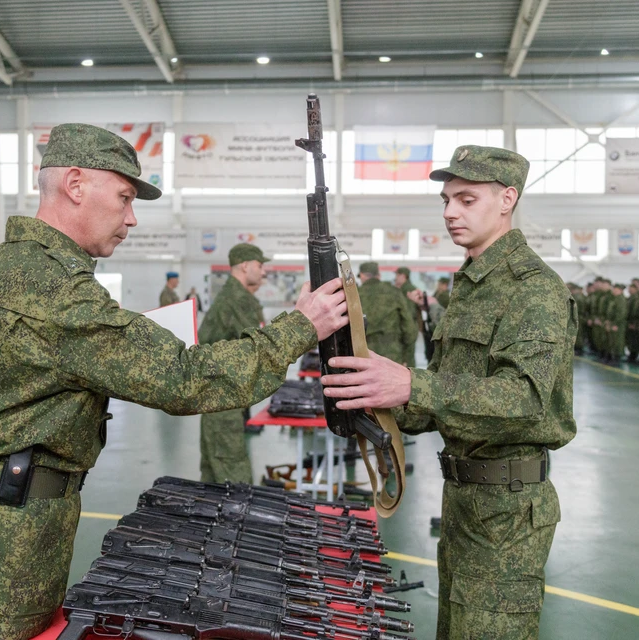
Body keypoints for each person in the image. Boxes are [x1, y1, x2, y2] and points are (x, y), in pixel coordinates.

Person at [0, 123, 348, 640]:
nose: (131, 218)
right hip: (16, 520)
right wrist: (300, 327)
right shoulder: (58, 291)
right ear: (75, 185)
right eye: (124, 197)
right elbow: (183, 379)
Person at [321, 145, 575, 640]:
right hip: (464, 498)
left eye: (466, 199)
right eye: (446, 200)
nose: (450, 212)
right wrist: (376, 394)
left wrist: (412, 383)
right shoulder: (473, 283)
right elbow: (441, 399)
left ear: (507, 199)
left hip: (507, 509)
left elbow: (527, 400)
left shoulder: (533, 288)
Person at [197, 242, 270, 484]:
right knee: (235, 481)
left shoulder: (231, 296)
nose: (263, 272)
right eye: (260, 266)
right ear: (245, 266)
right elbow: (258, 348)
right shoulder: (237, 299)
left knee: (213, 478)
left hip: (217, 398)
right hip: (223, 401)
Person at [358, 261, 418, 367]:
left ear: (362, 275)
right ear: (378, 275)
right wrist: (407, 357)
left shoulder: (355, 295)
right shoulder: (394, 292)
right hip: (392, 354)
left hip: (364, 353)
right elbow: (409, 328)